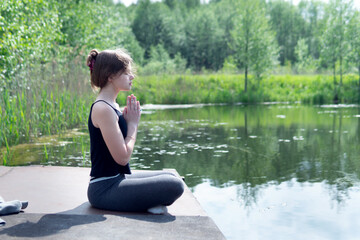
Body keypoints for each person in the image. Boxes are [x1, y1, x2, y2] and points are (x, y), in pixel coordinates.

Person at [86, 49, 184, 214]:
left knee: (172, 177)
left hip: (118, 180)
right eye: (126, 73)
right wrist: (133, 124)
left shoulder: (112, 105)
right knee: (176, 186)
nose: (132, 76)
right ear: (110, 76)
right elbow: (122, 158)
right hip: (104, 189)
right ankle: (146, 202)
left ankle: (145, 201)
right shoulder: (103, 108)